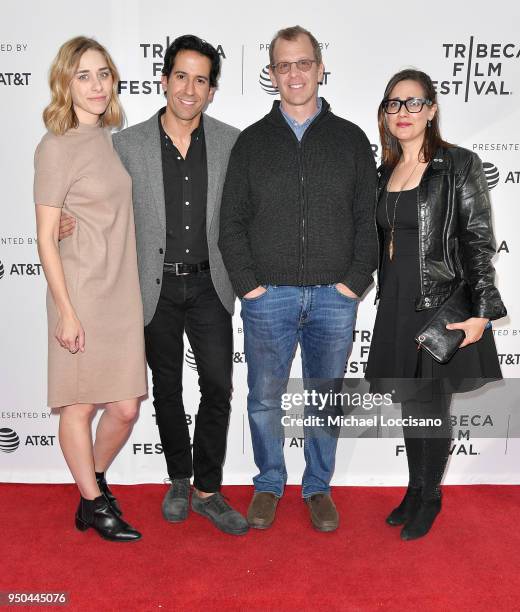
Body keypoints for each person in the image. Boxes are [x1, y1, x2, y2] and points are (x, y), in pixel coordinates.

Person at [60, 35, 248, 535]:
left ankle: (208, 489)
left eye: (201, 80)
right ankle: (179, 480)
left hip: (211, 286)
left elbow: (245, 214)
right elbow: (97, 199)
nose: (190, 88)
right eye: (181, 76)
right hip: (151, 288)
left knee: (218, 386)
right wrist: (65, 222)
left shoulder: (232, 142)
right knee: (165, 388)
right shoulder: (126, 143)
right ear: (163, 81)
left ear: (212, 90)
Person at [219, 25, 378, 532]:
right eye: (283, 65)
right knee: (265, 396)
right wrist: (250, 287)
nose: (294, 74)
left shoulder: (351, 139)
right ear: (271, 73)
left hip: (336, 297)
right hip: (270, 297)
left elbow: (367, 220)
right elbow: (232, 224)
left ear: (320, 68)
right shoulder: (251, 142)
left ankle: (318, 487)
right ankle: (268, 483)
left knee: (323, 396)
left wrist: (353, 283)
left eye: (303, 63)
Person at [365, 68, 506, 540]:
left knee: (431, 405)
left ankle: (430, 496)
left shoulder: (458, 165)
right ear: (385, 114)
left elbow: (478, 241)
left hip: (440, 301)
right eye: (394, 104)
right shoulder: (384, 171)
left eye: (413, 102)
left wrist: (482, 313)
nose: (402, 113)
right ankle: (414, 486)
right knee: (411, 403)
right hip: (396, 302)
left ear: (431, 109)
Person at [34, 37, 147, 542]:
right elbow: (44, 236)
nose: (97, 84)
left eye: (103, 73)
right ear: (66, 83)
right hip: (80, 292)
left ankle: (90, 488)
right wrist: (66, 312)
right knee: (80, 406)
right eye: (84, 75)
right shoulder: (55, 147)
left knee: (125, 407)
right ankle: (95, 504)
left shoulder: (107, 138)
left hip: (119, 293)